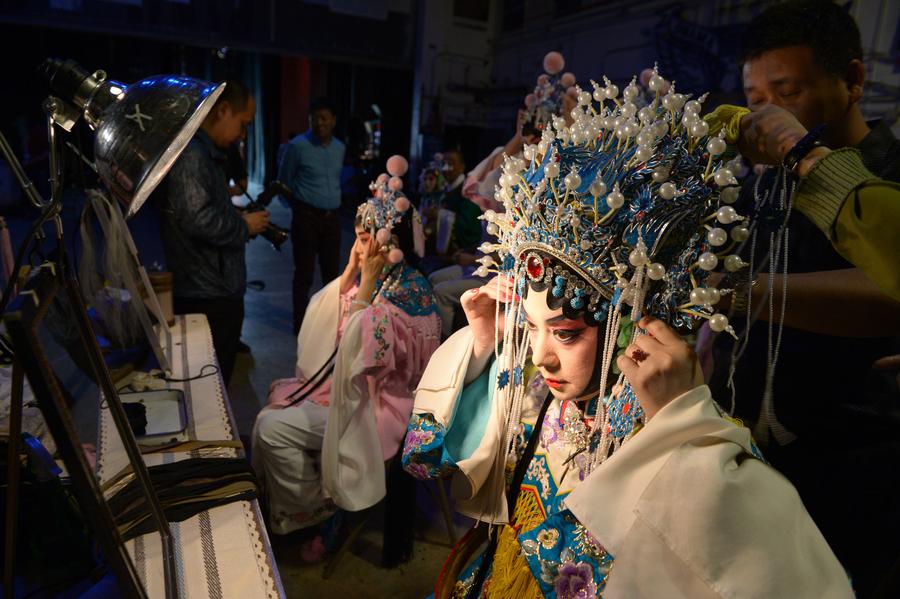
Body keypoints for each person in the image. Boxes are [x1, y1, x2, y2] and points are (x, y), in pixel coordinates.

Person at [402, 65, 850, 597]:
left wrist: (677, 421)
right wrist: (482, 343)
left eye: (565, 333)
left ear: (629, 327)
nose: (540, 356)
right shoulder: (533, 392)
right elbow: (429, 457)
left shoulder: (673, 434)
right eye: (530, 327)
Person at [704, 4, 900, 594]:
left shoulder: (883, 178)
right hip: (752, 454)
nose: (768, 115)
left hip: (857, 457)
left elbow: (888, 290)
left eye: (788, 92)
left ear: (853, 80)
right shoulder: (758, 184)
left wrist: (745, 294)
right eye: (755, 98)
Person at [252, 159, 440, 557]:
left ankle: (317, 512)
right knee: (271, 414)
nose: (357, 247)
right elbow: (330, 327)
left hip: (380, 407)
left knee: (271, 429)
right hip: (351, 393)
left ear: (388, 242)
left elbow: (359, 355)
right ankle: (308, 502)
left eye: (364, 239)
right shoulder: (385, 279)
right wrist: (353, 273)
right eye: (356, 238)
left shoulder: (407, 294)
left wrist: (365, 283)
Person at [157, 80, 268, 385]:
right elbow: (198, 218)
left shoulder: (206, 152)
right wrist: (244, 225)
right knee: (209, 385)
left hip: (213, 288)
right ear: (223, 110)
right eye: (243, 124)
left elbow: (204, 209)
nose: (242, 135)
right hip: (206, 293)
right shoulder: (194, 155)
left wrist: (235, 216)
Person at [278, 97, 346, 333]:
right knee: (304, 274)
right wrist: (299, 208)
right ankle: (300, 325)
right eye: (314, 119)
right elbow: (283, 183)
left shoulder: (340, 148)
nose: (319, 123)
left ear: (333, 120)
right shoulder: (297, 147)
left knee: (332, 275)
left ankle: (329, 325)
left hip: (332, 219)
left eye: (324, 118)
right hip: (306, 217)